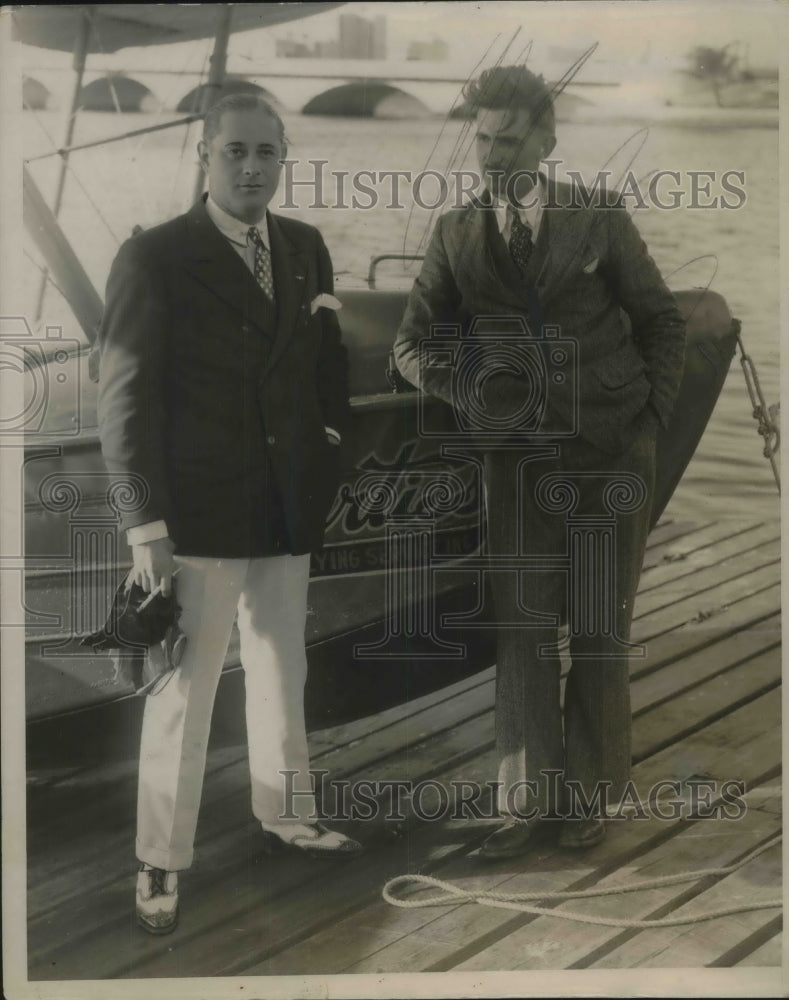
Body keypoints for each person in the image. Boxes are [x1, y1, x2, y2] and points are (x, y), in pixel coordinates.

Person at [393, 66, 686, 859]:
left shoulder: (597, 219)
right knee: (521, 633)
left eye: (508, 139)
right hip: (515, 463)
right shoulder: (456, 233)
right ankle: (525, 807)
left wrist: (648, 421)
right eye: (481, 139)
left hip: (610, 450)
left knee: (597, 631)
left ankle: (587, 800)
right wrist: (468, 394)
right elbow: (411, 343)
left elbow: (661, 322)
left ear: (547, 139)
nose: (490, 154)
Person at [97, 93, 361, 936]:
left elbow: (326, 368)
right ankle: (159, 860)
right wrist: (146, 528)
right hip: (198, 519)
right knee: (184, 694)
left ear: (283, 159)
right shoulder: (155, 257)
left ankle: (287, 814)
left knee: (284, 671)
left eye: (266, 154)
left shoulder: (305, 249)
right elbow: (124, 404)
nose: (251, 168)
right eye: (235, 152)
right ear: (204, 158)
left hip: (284, 509)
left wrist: (326, 443)